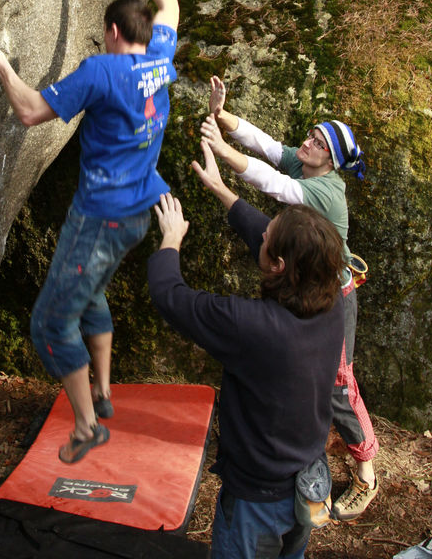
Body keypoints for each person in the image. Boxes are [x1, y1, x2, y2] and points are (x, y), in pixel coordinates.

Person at [0, 0, 179, 464]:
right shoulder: (161, 57)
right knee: (89, 295)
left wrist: (2, 66)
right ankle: (105, 390)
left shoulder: (103, 71)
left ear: (112, 31)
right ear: (143, 30)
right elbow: (172, 3)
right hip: (140, 214)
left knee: (48, 324)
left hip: (101, 218)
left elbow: (30, 111)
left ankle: (87, 426)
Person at [148, 140, 345, 559]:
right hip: (307, 482)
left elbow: (170, 296)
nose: (263, 231)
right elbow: (273, 236)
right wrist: (221, 189)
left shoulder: (255, 328)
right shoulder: (332, 298)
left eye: (268, 239)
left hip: (259, 499)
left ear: (277, 266)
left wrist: (170, 238)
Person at [200, 75, 379, 521]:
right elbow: (266, 146)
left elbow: (275, 186)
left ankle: (367, 473)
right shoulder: (307, 165)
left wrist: (223, 153)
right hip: (307, 292)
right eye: (311, 134)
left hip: (332, 303)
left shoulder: (325, 190)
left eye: (318, 141)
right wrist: (224, 117)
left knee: (338, 386)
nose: (308, 141)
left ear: (331, 158)